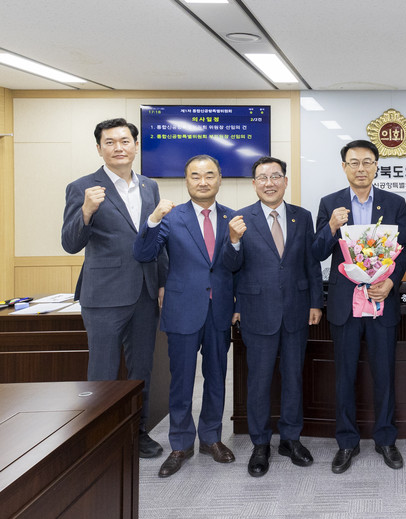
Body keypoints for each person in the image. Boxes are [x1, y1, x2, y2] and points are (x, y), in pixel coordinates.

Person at [61, 118, 167, 459]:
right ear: (99, 149)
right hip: (104, 295)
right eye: (110, 142)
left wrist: (162, 282)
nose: (118, 147)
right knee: (103, 372)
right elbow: (70, 243)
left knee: (141, 369)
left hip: (145, 292)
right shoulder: (82, 187)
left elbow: (156, 238)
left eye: (124, 141)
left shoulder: (149, 186)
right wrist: (86, 212)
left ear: (136, 145)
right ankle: (100, 437)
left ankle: (138, 431)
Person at [133, 155, 236, 477]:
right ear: (186, 180)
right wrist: (152, 220)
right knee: (181, 381)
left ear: (220, 178)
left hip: (219, 310)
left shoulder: (233, 218)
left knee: (217, 378)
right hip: (181, 309)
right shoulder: (170, 217)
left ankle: (211, 438)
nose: (203, 181)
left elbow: (238, 266)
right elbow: (143, 253)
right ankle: (180, 443)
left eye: (209, 175)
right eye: (195, 176)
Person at [312, 139, 406, 474]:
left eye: (367, 162)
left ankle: (386, 439)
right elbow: (318, 252)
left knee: (384, 375)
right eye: (353, 162)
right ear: (344, 167)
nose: (361, 168)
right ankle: (346, 442)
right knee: (344, 377)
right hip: (345, 305)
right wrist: (331, 227)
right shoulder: (330, 204)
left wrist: (391, 281)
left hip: (381, 302)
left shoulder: (395, 203)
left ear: (376, 166)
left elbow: (405, 249)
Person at [224, 156, 323, 478]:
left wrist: (316, 302)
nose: (270, 183)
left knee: (294, 378)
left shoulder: (302, 217)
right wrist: (233, 241)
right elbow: (231, 267)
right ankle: (260, 444)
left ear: (285, 181)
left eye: (275, 176)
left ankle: (291, 439)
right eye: (263, 178)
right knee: (259, 381)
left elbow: (310, 262)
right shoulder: (240, 219)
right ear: (254, 184)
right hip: (258, 311)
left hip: (296, 309)